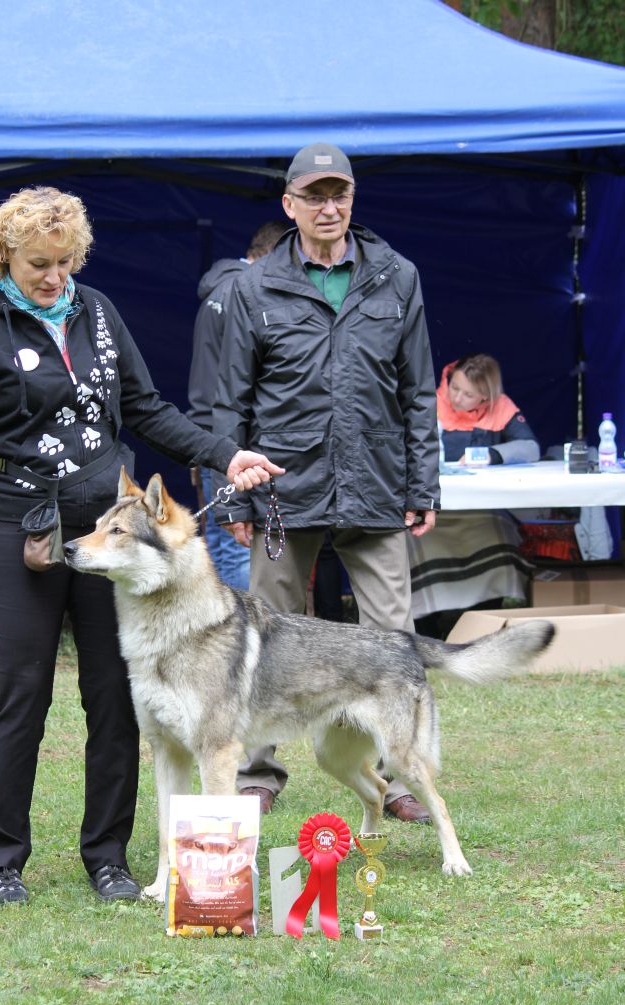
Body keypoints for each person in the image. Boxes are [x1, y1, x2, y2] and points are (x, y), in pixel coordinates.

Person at [0, 186, 281, 905]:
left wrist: (224, 453)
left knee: (113, 696)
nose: (52, 277)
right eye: (36, 264)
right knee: (21, 693)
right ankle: (2, 859)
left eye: (63, 262)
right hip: (13, 523)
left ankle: (108, 855)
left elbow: (147, 409)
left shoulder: (100, 315)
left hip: (102, 534)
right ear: (4, 257)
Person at [212, 143, 439, 823]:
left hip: (375, 483)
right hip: (283, 490)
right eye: (314, 195)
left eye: (339, 193)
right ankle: (258, 768)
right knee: (263, 633)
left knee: (395, 635)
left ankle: (400, 777)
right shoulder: (253, 286)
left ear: (352, 199)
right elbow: (229, 402)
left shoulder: (397, 277)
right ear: (290, 205)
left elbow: (419, 390)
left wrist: (422, 482)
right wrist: (238, 491)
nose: (329, 207)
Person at [410, 354, 540, 639]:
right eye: (454, 387)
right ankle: (426, 628)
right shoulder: (431, 403)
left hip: (481, 511)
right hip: (437, 512)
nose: (456, 397)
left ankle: (484, 620)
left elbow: (531, 447)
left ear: (486, 397)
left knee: (499, 537)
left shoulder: (502, 407)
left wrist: (494, 454)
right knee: (418, 545)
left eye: (468, 394)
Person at [188, 220, 288, 588]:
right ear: (271, 256)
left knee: (221, 537)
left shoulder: (220, 289)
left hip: (207, 430)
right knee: (239, 543)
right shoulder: (243, 293)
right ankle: (245, 637)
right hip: (233, 435)